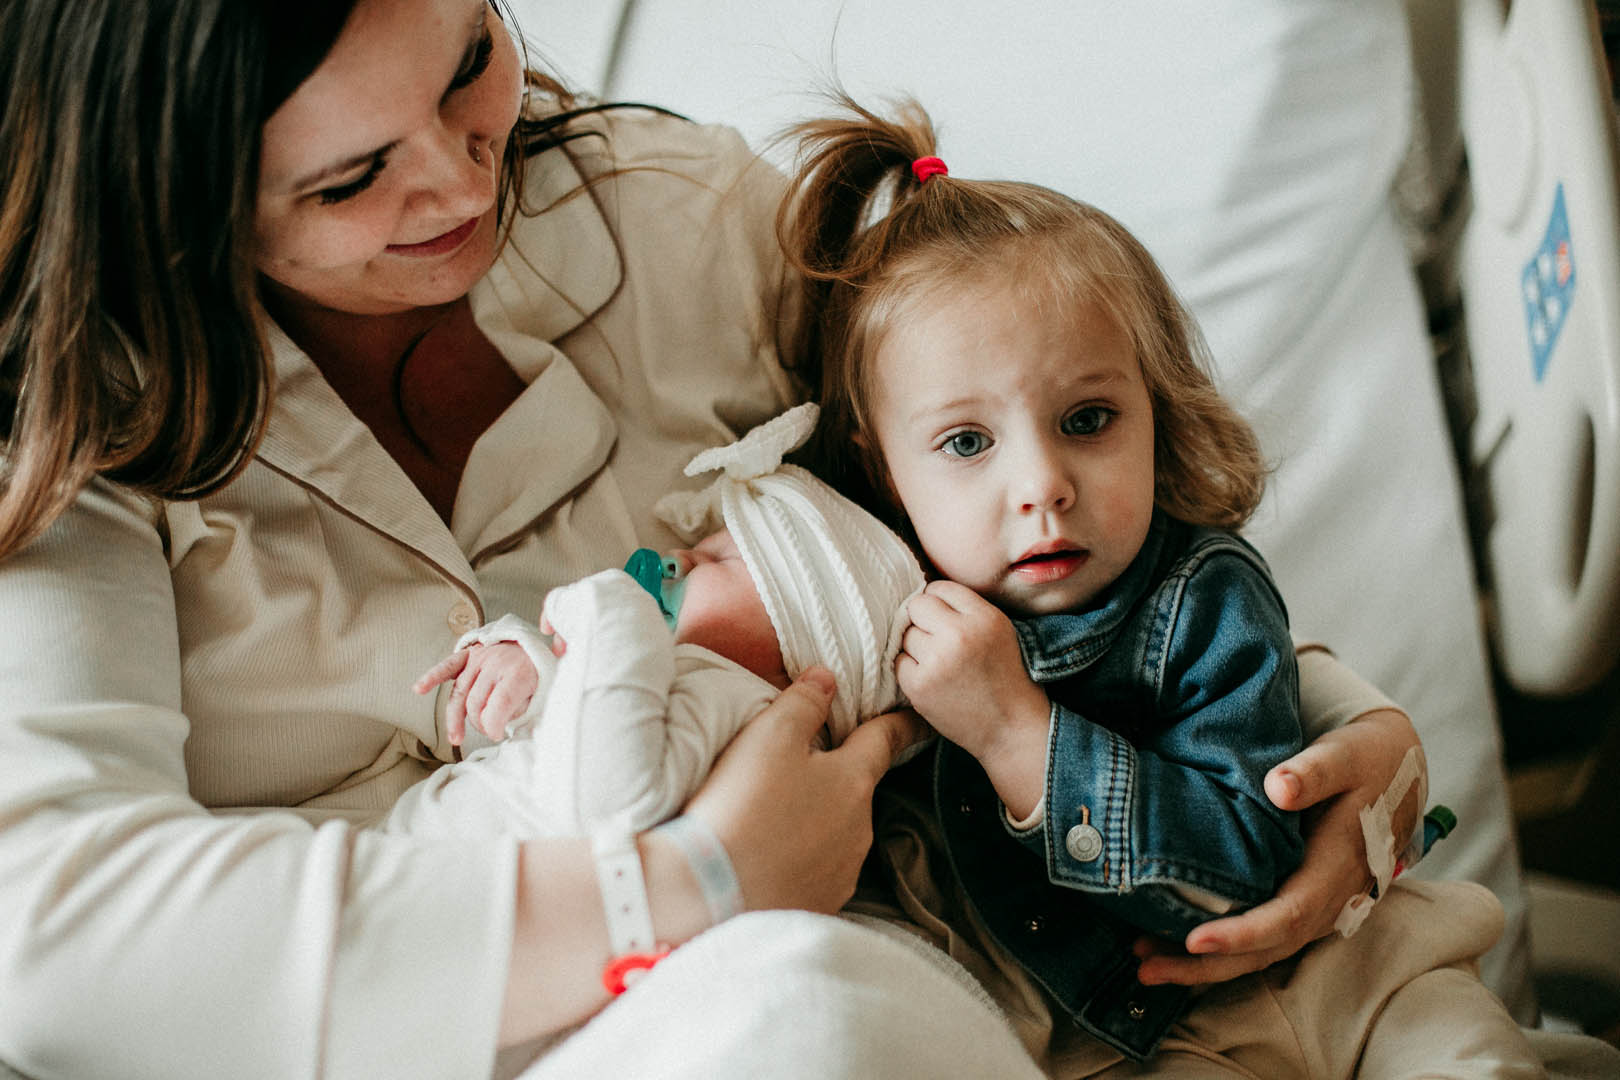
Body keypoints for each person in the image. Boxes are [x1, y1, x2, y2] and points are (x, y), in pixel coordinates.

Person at [0, 3, 1430, 1077]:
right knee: (792, 1022)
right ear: (160, 189)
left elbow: (1003, 487)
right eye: (350, 178)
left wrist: (1317, 724)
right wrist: (694, 886)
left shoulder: (682, 221)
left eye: (468, 64)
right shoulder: (67, 438)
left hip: (936, 979)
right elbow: (54, 940)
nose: (458, 183)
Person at [778, 95, 1542, 1074]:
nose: (1043, 485)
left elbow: (1245, 871)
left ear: (1157, 409)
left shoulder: (1205, 599)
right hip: (1131, 1043)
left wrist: (1020, 734)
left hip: (1356, 973)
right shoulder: (867, 637)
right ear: (881, 468)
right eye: (967, 442)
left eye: (1089, 419)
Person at [385, 402, 925, 848]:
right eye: (697, 547)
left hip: (463, 881)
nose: (677, 558)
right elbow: (579, 735)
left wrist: (608, 611)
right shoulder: (682, 686)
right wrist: (527, 673)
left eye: (720, 561)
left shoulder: (747, 707)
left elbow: (607, 792)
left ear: (805, 655)